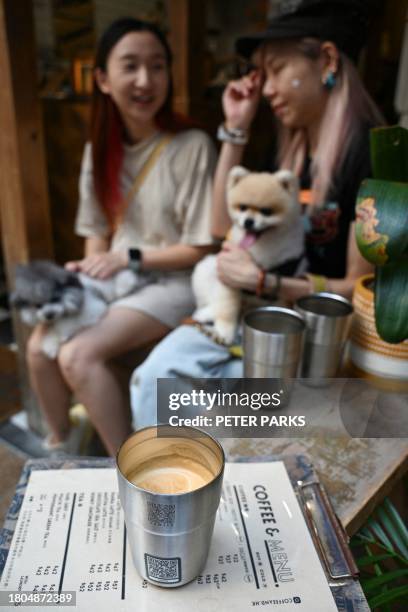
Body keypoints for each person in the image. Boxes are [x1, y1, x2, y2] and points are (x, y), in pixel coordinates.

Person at [130, 0, 384, 429]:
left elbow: (356, 291)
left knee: (181, 397)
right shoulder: (291, 151)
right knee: (153, 380)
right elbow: (218, 228)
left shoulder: (369, 155)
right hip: (260, 320)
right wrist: (236, 128)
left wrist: (267, 282)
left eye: (278, 70)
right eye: (262, 75)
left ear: (326, 59)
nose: (265, 90)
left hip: (310, 340)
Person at [27, 18, 217, 456]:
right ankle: (63, 448)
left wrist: (127, 258)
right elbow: (95, 234)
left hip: (175, 283)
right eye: (130, 66)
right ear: (103, 80)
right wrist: (87, 275)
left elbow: (201, 247)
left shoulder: (192, 146)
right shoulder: (100, 148)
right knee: (39, 347)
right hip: (121, 276)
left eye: (157, 67)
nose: (145, 80)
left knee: (77, 354)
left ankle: (131, 468)